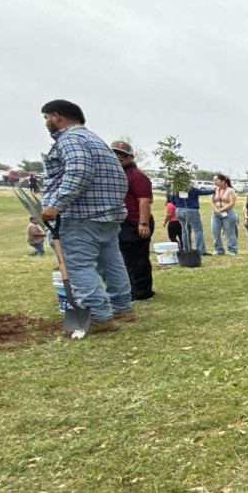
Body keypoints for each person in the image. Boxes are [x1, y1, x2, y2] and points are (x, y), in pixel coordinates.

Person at [37, 99, 134, 334]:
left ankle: (100, 316)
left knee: (77, 265)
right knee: (111, 262)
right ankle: (122, 307)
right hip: (107, 216)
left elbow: (79, 171)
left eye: (46, 118)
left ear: (56, 117)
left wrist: (55, 205)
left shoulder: (70, 140)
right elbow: (120, 179)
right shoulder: (96, 141)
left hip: (81, 216)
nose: (46, 123)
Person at [111, 140, 155, 300]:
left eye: (122, 154)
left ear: (130, 156)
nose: (118, 157)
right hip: (122, 221)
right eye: (115, 153)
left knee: (138, 259)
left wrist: (142, 223)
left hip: (135, 222)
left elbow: (144, 200)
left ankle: (142, 292)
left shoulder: (137, 176)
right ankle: (132, 289)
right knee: (126, 258)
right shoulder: (116, 174)